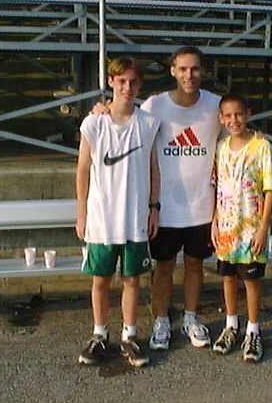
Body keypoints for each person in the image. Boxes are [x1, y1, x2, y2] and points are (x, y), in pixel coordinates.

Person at [92, 46, 222, 350]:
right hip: (165, 208)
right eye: (183, 69)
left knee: (194, 265)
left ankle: (191, 318)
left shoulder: (215, 106)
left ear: (203, 71)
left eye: (195, 69)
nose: (189, 75)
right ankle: (161, 321)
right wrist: (101, 109)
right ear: (173, 71)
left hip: (202, 206)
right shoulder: (155, 105)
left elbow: (237, 128)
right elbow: (124, 116)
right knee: (163, 267)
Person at [76, 56, 160, 368]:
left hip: (135, 218)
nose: (127, 87)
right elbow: (83, 170)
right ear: (111, 81)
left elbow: (154, 170)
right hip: (101, 219)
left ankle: (130, 335)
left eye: (133, 82)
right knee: (100, 280)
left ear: (140, 85)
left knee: (132, 280)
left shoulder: (148, 123)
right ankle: (99, 334)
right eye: (121, 81)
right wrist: (82, 212)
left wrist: (154, 208)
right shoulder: (93, 123)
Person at [211, 93, 272, 363]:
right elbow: (218, 187)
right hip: (227, 229)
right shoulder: (221, 148)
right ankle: (231, 325)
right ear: (221, 118)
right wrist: (215, 220)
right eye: (228, 116)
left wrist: (263, 227)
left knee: (251, 280)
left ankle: (253, 330)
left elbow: (270, 189)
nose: (234, 120)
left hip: (251, 229)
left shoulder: (262, 146)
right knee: (228, 277)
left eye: (238, 114)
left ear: (248, 114)